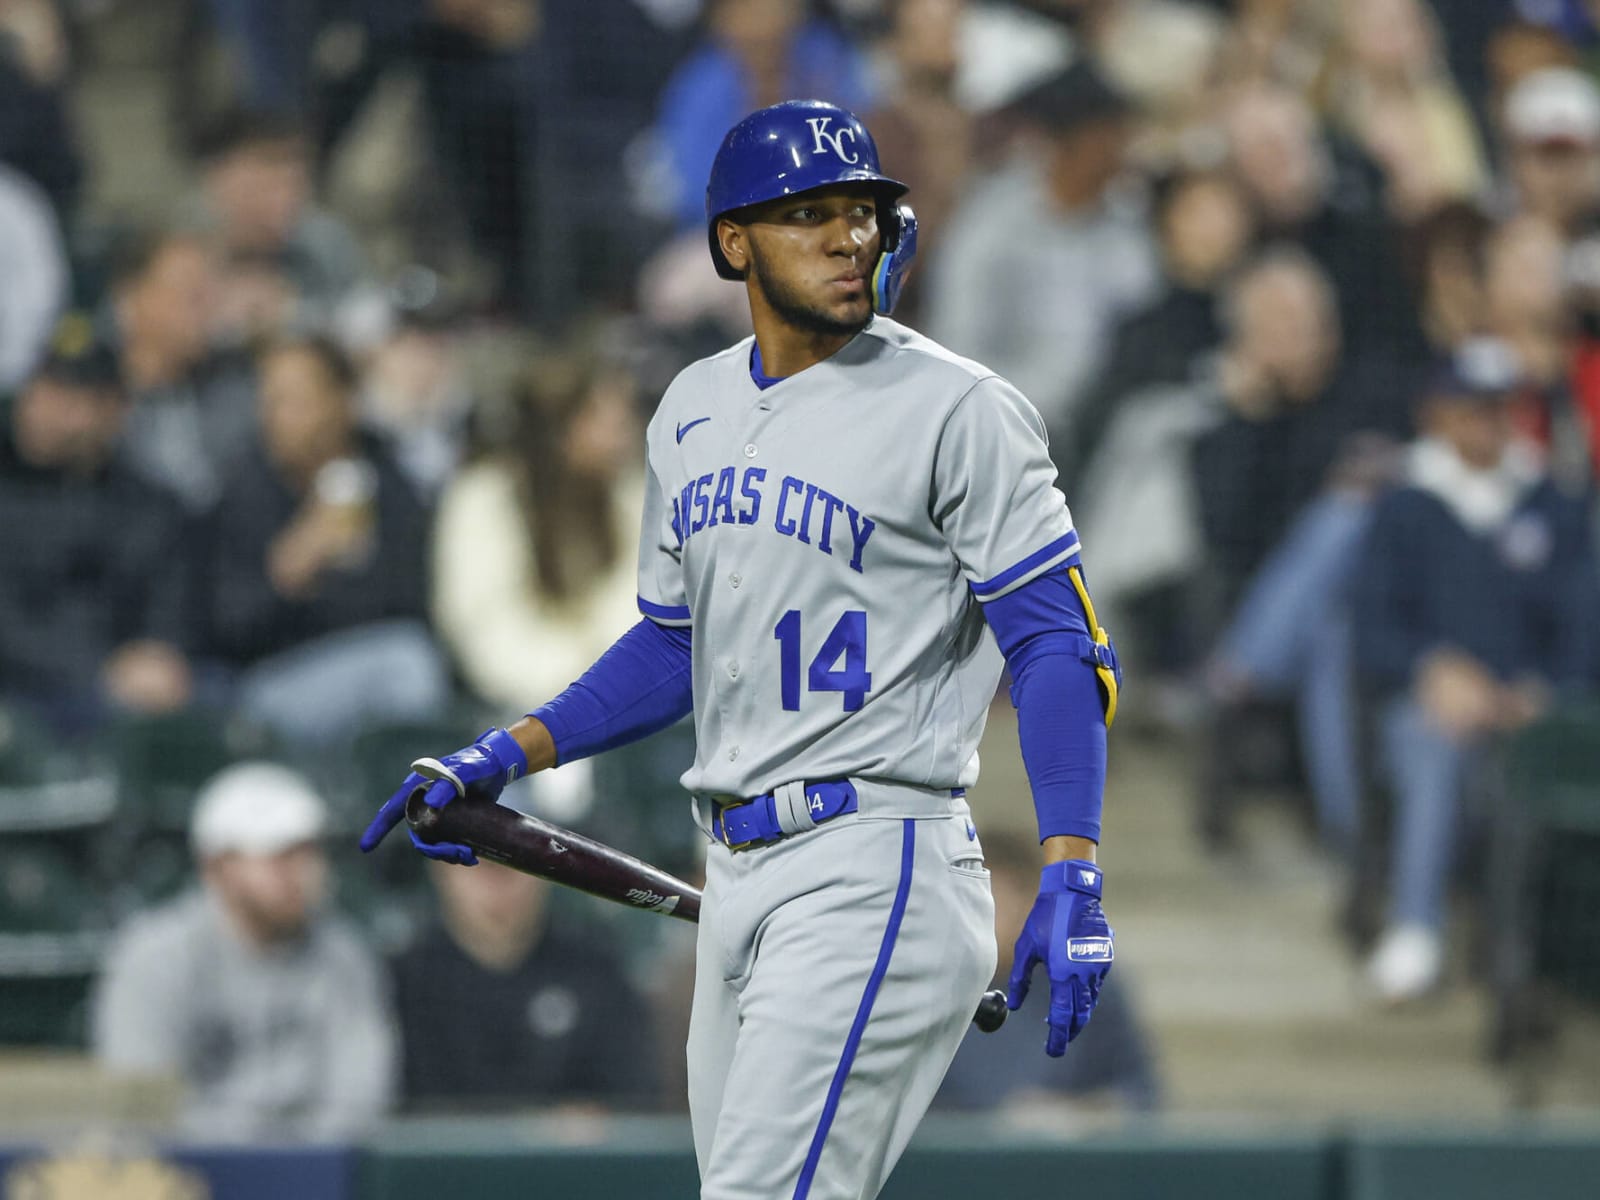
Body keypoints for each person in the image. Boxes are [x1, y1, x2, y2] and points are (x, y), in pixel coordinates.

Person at [360, 100, 1119, 1199]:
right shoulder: (690, 407)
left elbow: (1055, 647)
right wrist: (510, 751)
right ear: (733, 244)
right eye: (808, 213)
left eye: (862, 211)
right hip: (734, 869)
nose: (845, 236)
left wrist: (1071, 860)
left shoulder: (962, 409)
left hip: (876, 854)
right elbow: (676, 645)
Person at [1352, 337, 1597, 1003]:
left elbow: (1581, 622)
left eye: (1499, 408)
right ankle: (1417, 928)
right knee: (1433, 750)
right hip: (1428, 702)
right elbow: (1371, 630)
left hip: (1529, 707)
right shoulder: (1406, 505)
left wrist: (1543, 689)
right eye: (1471, 408)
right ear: (1441, 413)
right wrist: (1431, 668)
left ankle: (1537, 959)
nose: (1486, 423)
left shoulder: (1553, 503)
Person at [92, 761, 398, 1140]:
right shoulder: (155, 956)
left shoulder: (344, 955)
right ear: (218, 867)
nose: (304, 872)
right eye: (280, 856)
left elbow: (358, 1100)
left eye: (309, 853)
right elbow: (143, 1105)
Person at [200, 333, 447, 749]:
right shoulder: (243, 491)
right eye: (271, 401)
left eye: (296, 401)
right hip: (272, 689)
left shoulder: (391, 485)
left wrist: (352, 558)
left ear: (343, 402)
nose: (277, 417)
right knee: (407, 665)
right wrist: (292, 565)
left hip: (373, 673)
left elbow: (416, 603)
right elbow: (224, 628)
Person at [0, 317, 195, 734]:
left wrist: (158, 659)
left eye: (70, 398)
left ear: (115, 411)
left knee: (221, 705)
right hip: (27, 691)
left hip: (135, 693)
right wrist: (98, 670)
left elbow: (172, 613)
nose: (43, 411)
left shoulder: (150, 505)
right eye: (41, 389)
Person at [391, 859, 661, 1113]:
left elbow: (634, 1106)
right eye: (476, 865)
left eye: (515, 863)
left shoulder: (596, 971)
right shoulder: (404, 982)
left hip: (565, 1162)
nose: (496, 885)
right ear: (441, 871)